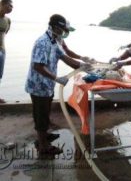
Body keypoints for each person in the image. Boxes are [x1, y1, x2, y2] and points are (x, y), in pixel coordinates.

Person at [25, 14, 93, 156]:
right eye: (63, 30)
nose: (64, 33)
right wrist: (56, 78)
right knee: (41, 115)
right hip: (39, 85)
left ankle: (43, 136)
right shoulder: (43, 42)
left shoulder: (55, 41)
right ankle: (43, 146)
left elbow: (65, 57)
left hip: (47, 84)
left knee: (44, 113)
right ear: (55, 27)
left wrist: (82, 65)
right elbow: (37, 66)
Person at [0, 0, 13, 103]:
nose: (11, 8)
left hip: (2, 50)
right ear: (2, 5)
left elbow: (5, 33)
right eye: (9, 5)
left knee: (0, 74)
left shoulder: (8, 20)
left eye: (12, 6)